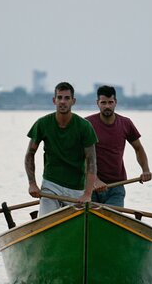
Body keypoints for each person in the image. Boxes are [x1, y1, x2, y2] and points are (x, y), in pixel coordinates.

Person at [25, 81, 98, 216]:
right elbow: (30, 154)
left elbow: (92, 162)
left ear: (73, 101)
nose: (62, 102)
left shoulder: (84, 126)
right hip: (50, 186)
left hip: (76, 189)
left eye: (66, 98)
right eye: (59, 98)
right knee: (46, 222)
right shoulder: (42, 123)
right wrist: (32, 183)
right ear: (54, 100)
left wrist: (87, 194)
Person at [85, 85, 152, 207]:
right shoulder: (87, 124)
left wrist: (145, 170)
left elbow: (138, 148)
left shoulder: (125, 123)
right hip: (90, 187)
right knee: (92, 220)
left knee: (112, 219)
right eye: (103, 102)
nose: (107, 106)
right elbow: (79, 155)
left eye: (110, 102)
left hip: (116, 187)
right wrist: (95, 180)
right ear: (97, 103)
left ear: (115, 102)